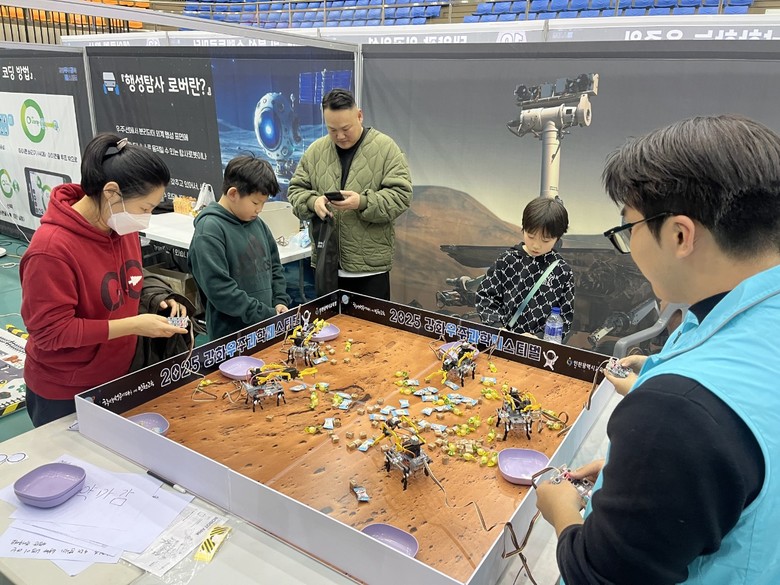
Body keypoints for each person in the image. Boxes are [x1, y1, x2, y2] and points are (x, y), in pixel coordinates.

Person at [535, 114, 780, 585]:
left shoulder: (676, 412)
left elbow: (598, 577)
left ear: (680, 235)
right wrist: (641, 478)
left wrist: (561, 511)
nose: (629, 245)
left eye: (629, 228)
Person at [20, 134, 188, 427]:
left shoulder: (119, 226)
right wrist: (134, 325)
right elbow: (50, 333)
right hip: (66, 392)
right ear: (111, 192)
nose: (147, 218)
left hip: (118, 377)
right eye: (144, 208)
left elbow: (130, 275)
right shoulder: (50, 250)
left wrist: (158, 296)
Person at [287, 88, 413, 300]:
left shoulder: (386, 149)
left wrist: (362, 202)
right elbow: (295, 190)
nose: (340, 136)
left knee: (370, 323)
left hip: (369, 270)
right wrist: (312, 202)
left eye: (346, 128)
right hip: (326, 265)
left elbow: (401, 196)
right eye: (332, 129)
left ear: (359, 116)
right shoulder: (315, 152)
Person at [188, 156, 290, 341]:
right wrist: (265, 314)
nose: (259, 209)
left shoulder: (258, 224)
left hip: (266, 326)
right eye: (255, 203)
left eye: (263, 203)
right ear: (233, 194)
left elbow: (275, 267)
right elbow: (220, 291)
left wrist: (279, 300)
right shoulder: (209, 230)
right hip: (231, 335)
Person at [475, 197, 574, 337]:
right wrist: (497, 327)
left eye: (545, 240)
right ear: (523, 228)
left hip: (538, 346)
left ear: (558, 237)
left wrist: (539, 338)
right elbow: (485, 297)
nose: (536, 245)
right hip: (502, 339)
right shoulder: (507, 260)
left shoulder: (562, 271)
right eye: (531, 236)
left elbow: (565, 317)